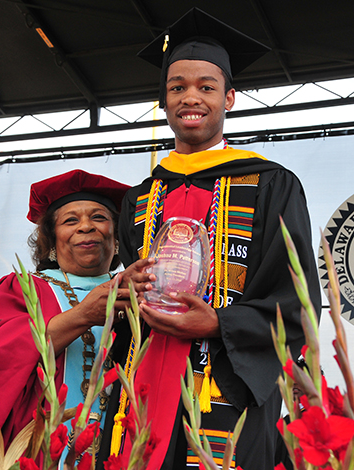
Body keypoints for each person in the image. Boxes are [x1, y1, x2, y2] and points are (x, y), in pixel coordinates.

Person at [99, 8, 321, 470]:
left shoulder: (271, 185)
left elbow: (298, 304)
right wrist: (128, 291)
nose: (190, 97)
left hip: (227, 384)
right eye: (177, 87)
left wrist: (219, 324)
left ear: (231, 98)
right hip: (142, 380)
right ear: (164, 100)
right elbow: (130, 287)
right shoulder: (140, 197)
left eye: (206, 86)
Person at [0, 169, 153, 469]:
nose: (86, 226)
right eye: (70, 220)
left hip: (121, 447)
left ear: (117, 234)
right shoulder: (22, 289)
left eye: (99, 217)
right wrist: (82, 315)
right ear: (50, 239)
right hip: (40, 449)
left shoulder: (139, 292)